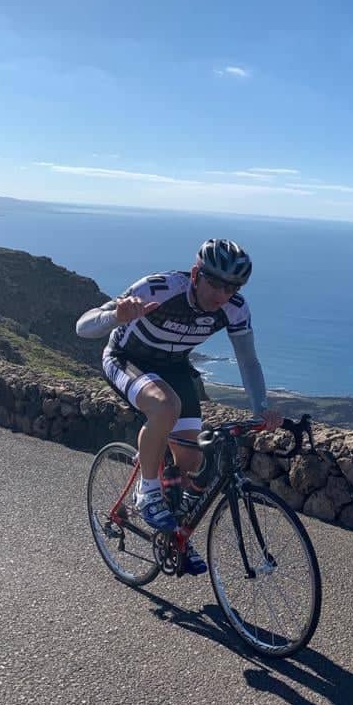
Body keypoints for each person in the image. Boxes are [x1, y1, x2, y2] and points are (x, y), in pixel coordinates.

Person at [76, 238, 282, 575]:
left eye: (231, 287)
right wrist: (116, 316)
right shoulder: (158, 289)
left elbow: (248, 361)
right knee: (164, 406)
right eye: (215, 283)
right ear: (196, 274)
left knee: (192, 461)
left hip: (174, 368)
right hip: (126, 359)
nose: (222, 294)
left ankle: (173, 536)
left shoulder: (235, 308)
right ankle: (147, 493)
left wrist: (261, 408)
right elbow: (83, 326)